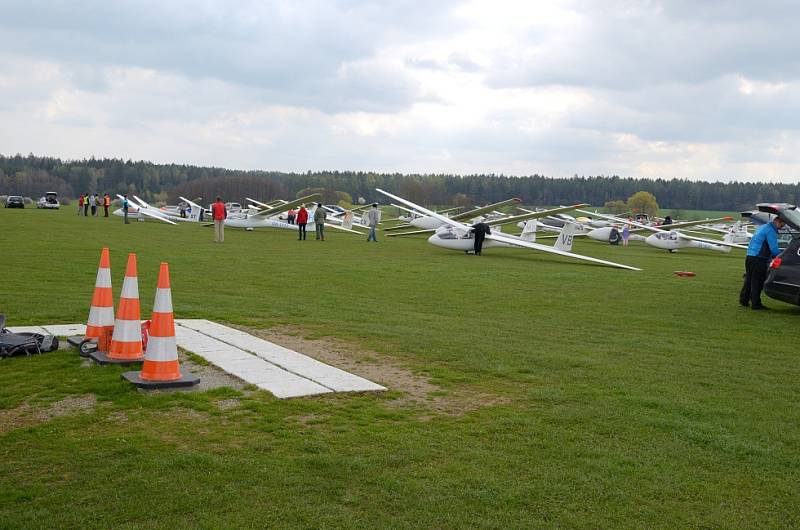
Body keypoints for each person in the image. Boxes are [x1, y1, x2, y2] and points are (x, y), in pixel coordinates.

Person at [740, 216, 786, 310]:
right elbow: (773, 249)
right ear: (777, 222)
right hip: (759, 258)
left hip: (750, 256)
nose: (782, 227)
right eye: (782, 225)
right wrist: (782, 255)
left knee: (749, 279)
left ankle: (744, 300)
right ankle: (756, 304)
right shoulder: (770, 231)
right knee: (757, 281)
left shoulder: (762, 227)